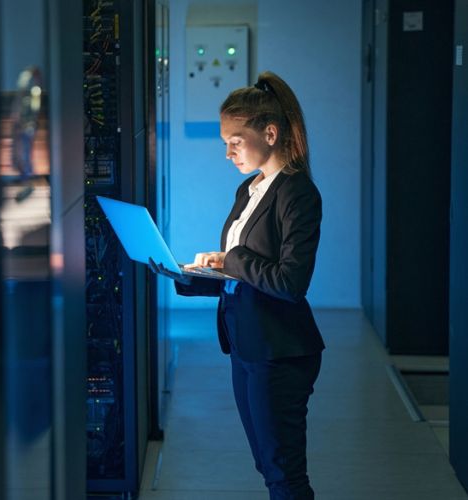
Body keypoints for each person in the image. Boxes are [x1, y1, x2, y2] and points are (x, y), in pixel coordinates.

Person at [149, 70, 325, 499]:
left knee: (284, 473)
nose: (228, 153)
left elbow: (290, 281)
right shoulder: (249, 189)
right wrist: (188, 276)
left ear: (269, 133)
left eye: (235, 141)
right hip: (246, 341)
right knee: (268, 465)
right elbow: (241, 277)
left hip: (280, 350)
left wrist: (232, 259)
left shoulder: (298, 193)